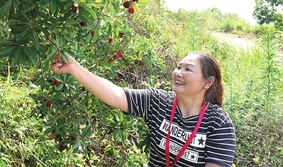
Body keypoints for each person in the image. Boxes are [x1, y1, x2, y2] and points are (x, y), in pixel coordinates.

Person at [51, 51, 236, 167]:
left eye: (188, 69)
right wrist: (75, 69)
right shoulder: (159, 102)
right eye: (178, 67)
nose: (178, 73)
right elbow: (115, 95)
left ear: (208, 82)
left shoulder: (218, 123)